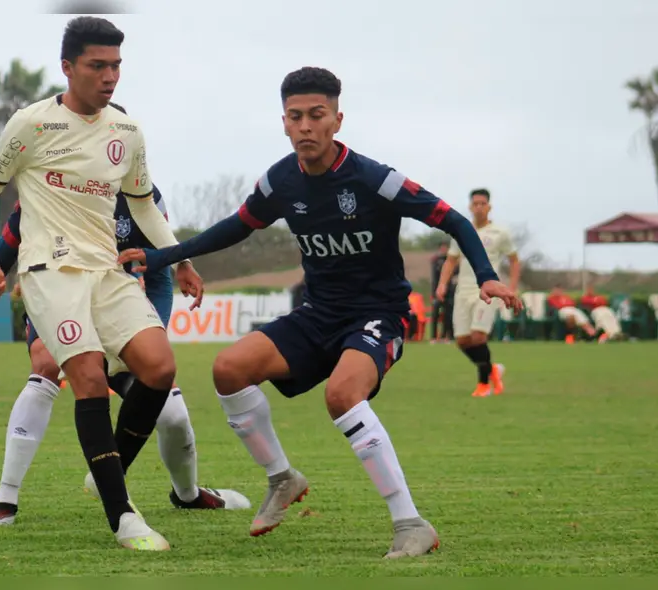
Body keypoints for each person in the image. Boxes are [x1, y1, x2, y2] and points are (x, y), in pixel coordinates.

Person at [118, 66, 522, 558]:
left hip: (378, 314)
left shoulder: (375, 178)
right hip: (318, 314)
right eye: (295, 117)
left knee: (342, 394)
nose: (306, 126)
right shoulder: (281, 181)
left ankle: (411, 523)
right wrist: (163, 256)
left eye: (317, 115)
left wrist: (485, 275)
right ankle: (281, 478)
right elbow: (234, 228)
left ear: (337, 120)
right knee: (228, 369)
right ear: (284, 123)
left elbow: (453, 219)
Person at [0, 16, 203, 551]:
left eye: (116, 65)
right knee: (89, 376)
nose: (110, 76)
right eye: (98, 65)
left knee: (160, 368)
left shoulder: (127, 131)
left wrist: (180, 258)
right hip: (49, 273)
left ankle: (105, 474)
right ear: (68, 68)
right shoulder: (31, 124)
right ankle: (123, 517)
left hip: (107, 271)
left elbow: (142, 202)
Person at [0, 182, 249, 528]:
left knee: (172, 414)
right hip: (59, 304)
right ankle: (5, 500)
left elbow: (158, 279)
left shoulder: (144, 195)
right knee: (45, 362)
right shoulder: (50, 184)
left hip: (116, 315)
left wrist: (147, 335)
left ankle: (186, 493)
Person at [435, 189, 520, 397]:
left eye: (483, 203)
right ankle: (492, 369)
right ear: (470, 207)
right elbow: (451, 260)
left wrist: (511, 287)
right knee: (462, 341)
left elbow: (514, 260)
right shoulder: (463, 231)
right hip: (463, 291)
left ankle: (483, 384)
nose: (479, 207)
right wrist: (442, 284)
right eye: (476, 204)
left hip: (487, 291)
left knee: (478, 337)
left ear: (489, 207)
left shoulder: (500, 233)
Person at [429, 242, 456, 340]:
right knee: (435, 314)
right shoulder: (436, 260)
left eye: (446, 248)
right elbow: (434, 278)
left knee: (448, 315)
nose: (444, 249)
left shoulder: (451, 261)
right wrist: (433, 293)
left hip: (449, 292)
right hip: (437, 292)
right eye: (442, 248)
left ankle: (446, 336)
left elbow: (456, 274)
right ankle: (433, 337)